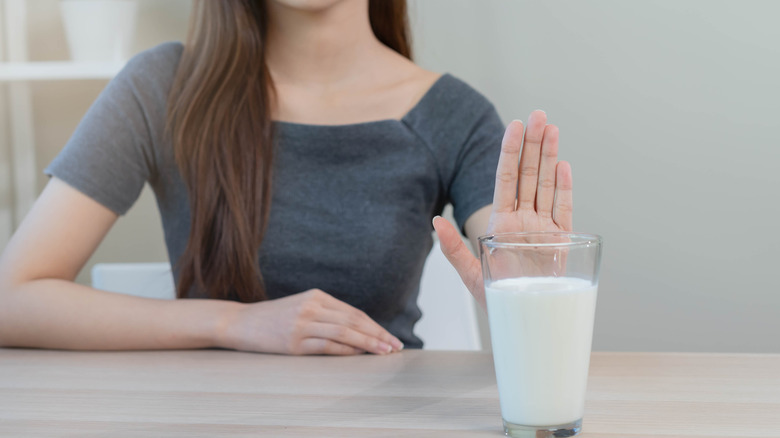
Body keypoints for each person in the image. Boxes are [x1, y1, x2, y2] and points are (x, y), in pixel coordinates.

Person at [0, 0, 572, 355]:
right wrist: (233, 323)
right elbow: (12, 298)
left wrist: (527, 286)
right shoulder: (162, 87)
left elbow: (534, 317)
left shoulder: (454, 114)